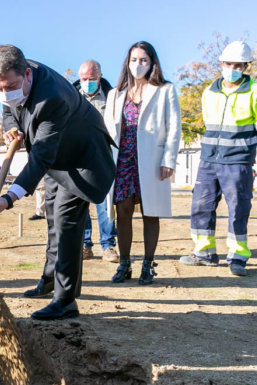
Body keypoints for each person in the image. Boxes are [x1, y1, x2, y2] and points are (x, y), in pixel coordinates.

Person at [0, 45, 115, 320]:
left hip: (82, 159)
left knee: (66, 222)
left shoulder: (51, 98)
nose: (6, 93)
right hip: (57, 160)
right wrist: (10, 127)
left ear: (27, 74)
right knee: (53, 219)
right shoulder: (10, 76)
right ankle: (49, 279)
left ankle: (65, 300)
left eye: (12, 87)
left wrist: (8, 199)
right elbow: (10, 108)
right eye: (0, 89)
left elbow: (39, 157)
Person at [179, 41, 257, 276]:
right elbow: (208, 122)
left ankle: (237, 257)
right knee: (201, 205)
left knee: (238, 207)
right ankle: (204, 252)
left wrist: (244, 145)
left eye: (238, 65)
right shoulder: (209, 92)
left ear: (245, 66)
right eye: (228, 63)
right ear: (221, 64)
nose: (233, 68)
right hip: (209, 159)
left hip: (238, 162)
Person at [103, 42, 182, 285]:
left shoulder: (165, 90)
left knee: (151, 212)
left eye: (144, 60)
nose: (138, 64)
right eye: (134, 59)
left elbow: (173, 128)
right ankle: (124, 263)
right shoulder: (115, 94)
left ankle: (148, 264)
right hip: (122, 160)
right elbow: (107, 130)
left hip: (152, 161)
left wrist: (169, 159)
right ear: (127, 62)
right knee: (123, 211)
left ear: (152, 63)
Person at [73, 60, 119, 262]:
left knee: (105, 204)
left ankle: (108, 246)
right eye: (84, 79)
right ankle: (84, 245)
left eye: (91, 79)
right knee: (80, 202)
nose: (87, 82)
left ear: (99, 77)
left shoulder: (112, 97)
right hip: (77, 157)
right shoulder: (71, 95)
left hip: (103, 157)